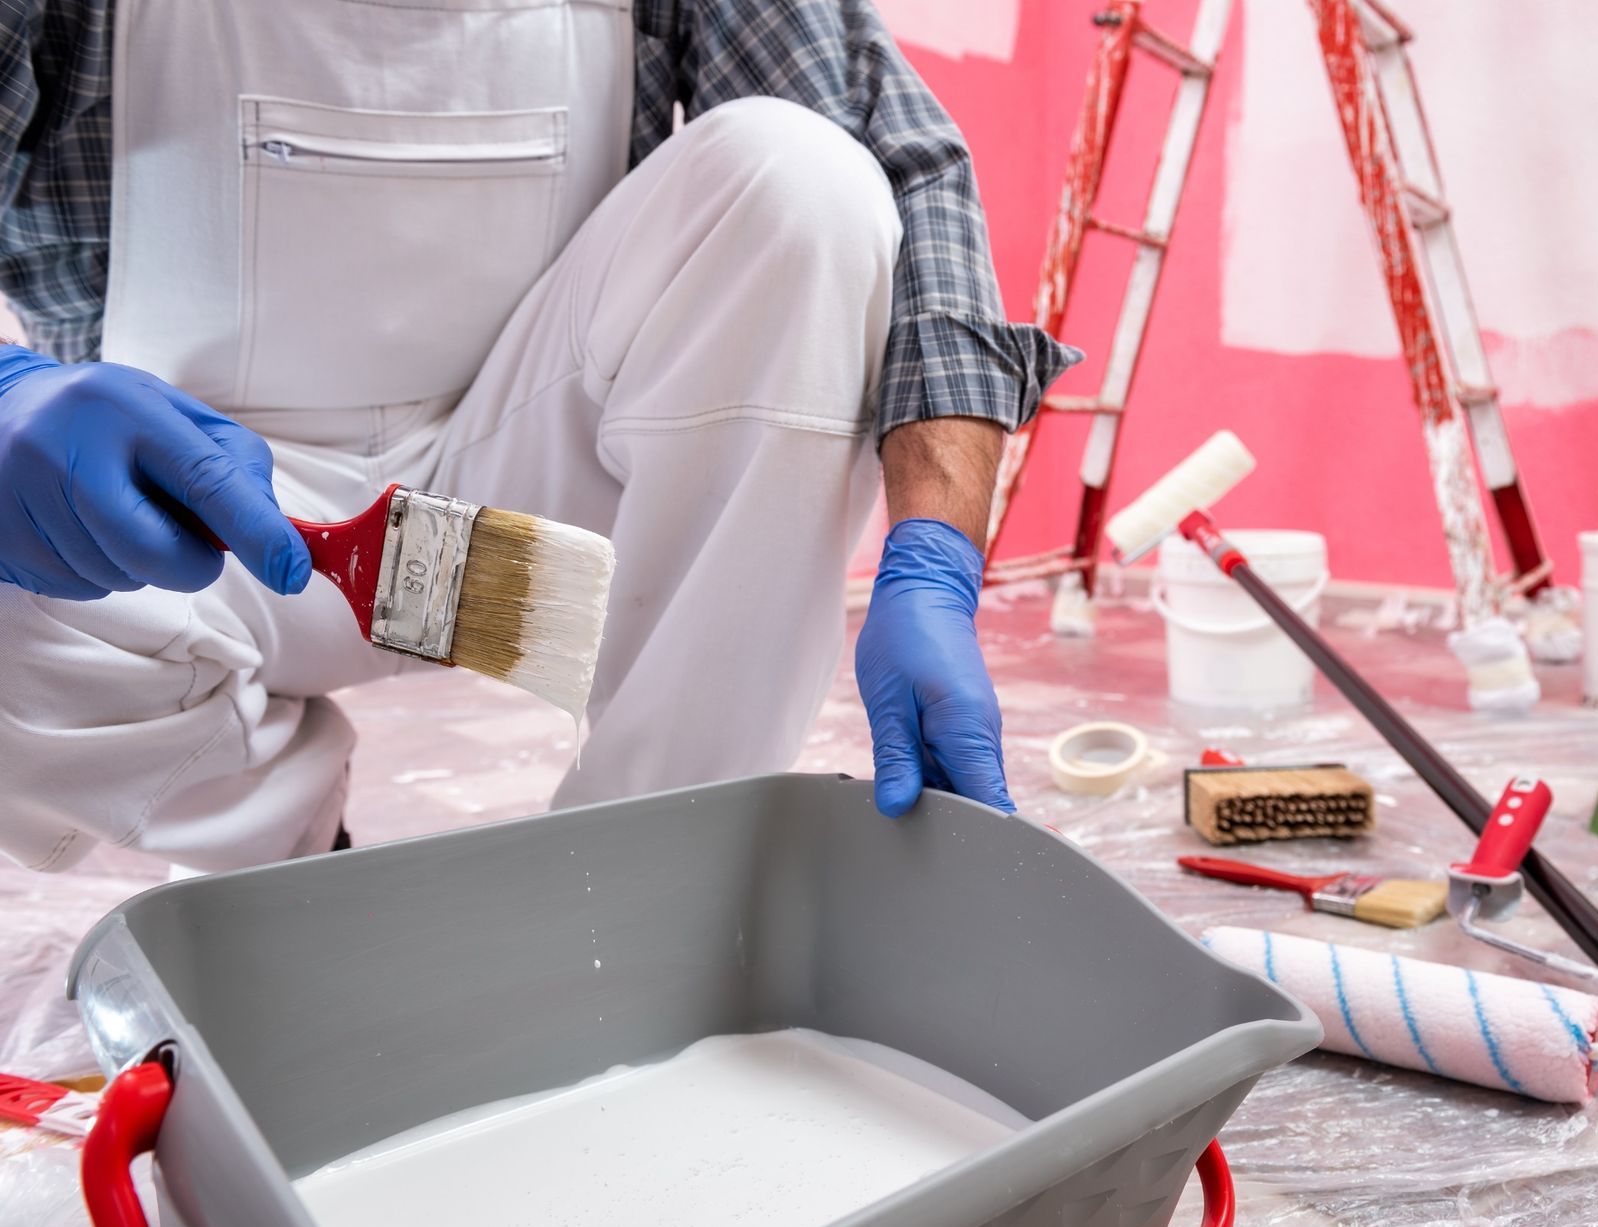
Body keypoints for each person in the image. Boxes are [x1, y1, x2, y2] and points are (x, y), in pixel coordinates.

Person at [0, 0, 1076, 874]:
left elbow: (900, 171)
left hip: (526, 522)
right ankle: (283, 887)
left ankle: (641, 881)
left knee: (806, 180)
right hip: (181, 532)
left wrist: (931, 562)